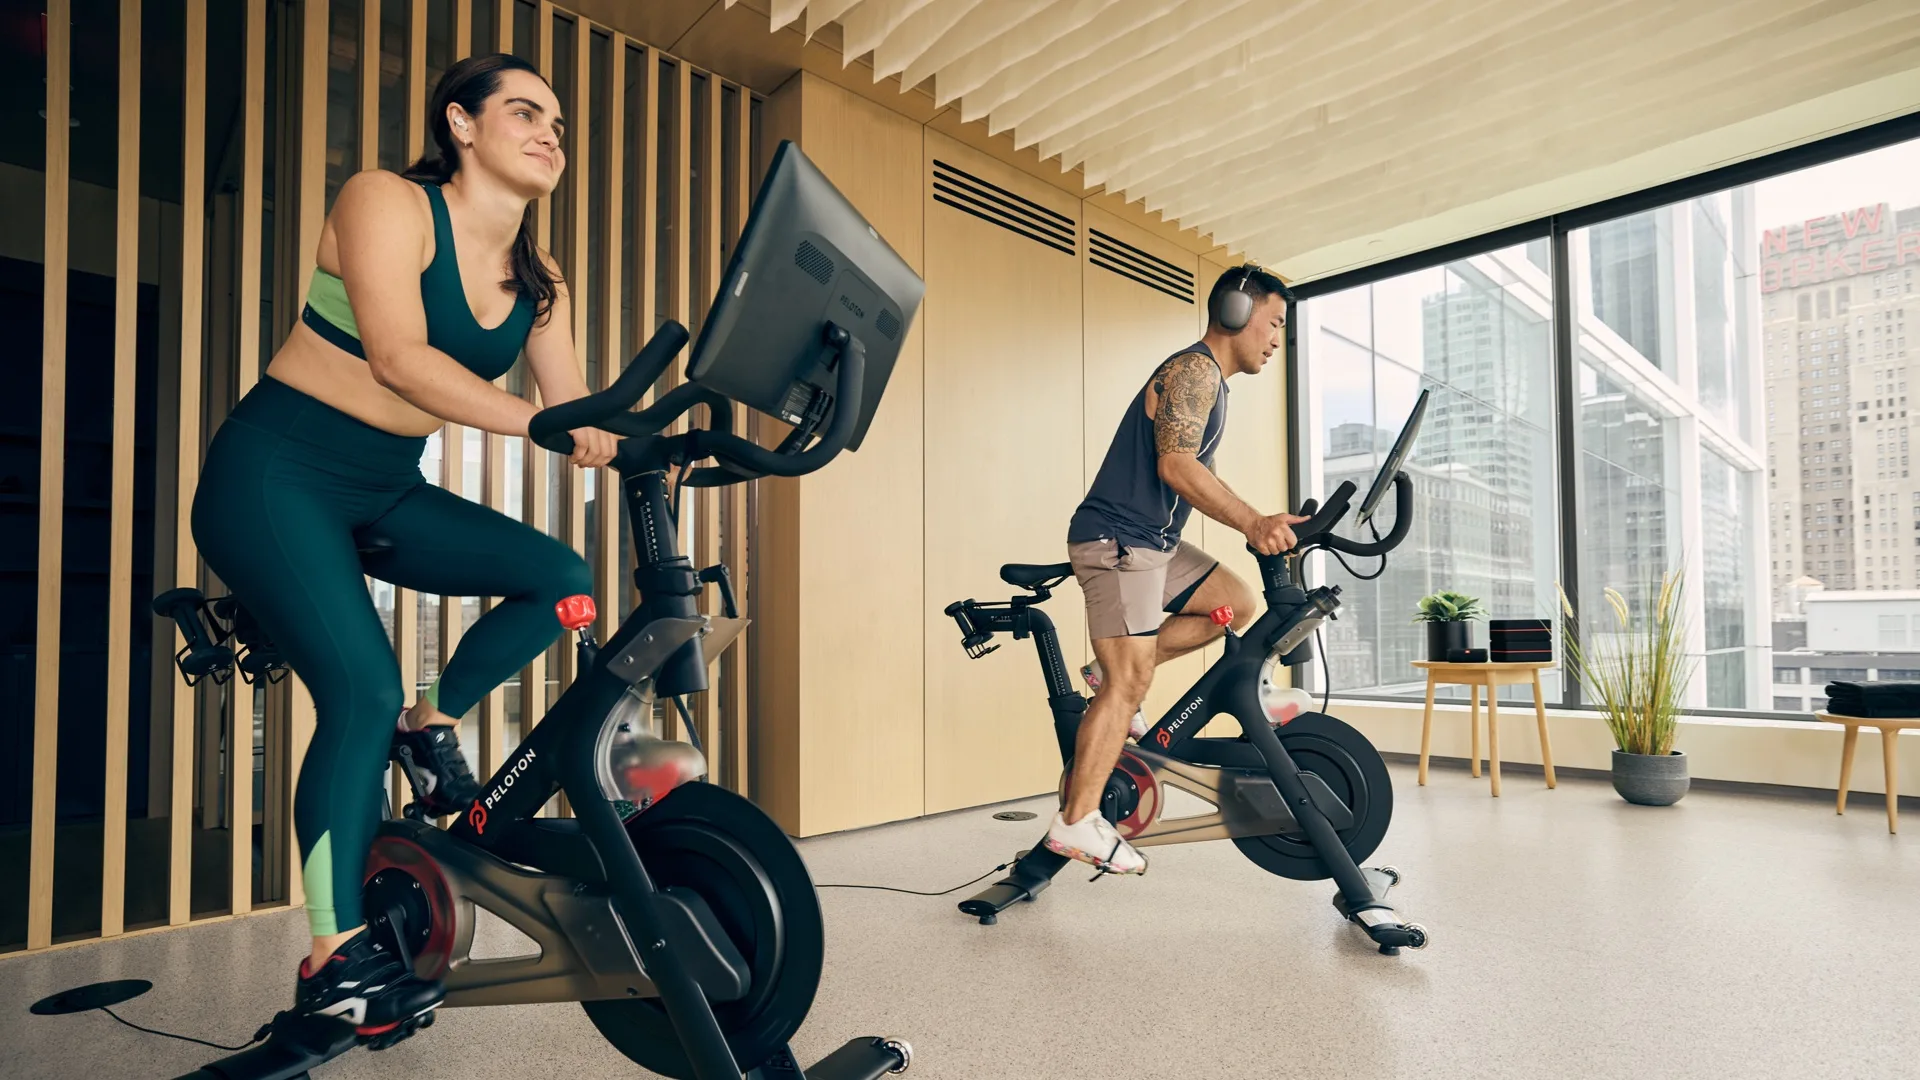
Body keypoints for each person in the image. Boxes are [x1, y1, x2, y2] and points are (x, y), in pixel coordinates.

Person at [190, 53, 616, 1036]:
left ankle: (433, 724)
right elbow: (399, 358)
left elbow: (580, 411)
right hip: (275, 473)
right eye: (524, 111)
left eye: (558, 121)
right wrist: (548, 427)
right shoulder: (385, 199)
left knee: (558, 580)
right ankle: (333, 958)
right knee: (358, 689)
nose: (550, 131)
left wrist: (660, 443)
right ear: (461, 124)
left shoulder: (538, 280)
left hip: (385, 487)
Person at [1046, 265, 1306, 875]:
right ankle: (1077, 821)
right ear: (1238, 310)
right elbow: (1177, 465)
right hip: (1118, 541)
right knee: (1128, 683)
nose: (1275, 339)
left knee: (1235, 605)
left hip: (1153, 544)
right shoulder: (1193, 370)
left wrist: (1265, 521)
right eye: (1274, 323)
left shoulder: (1213, 380)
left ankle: (1106, 670)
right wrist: (1252, 522)